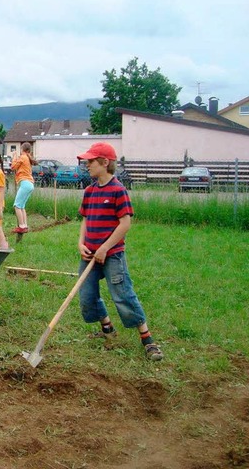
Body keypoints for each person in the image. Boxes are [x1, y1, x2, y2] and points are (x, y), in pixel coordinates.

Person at [76, 142, 163, 361]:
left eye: (90, 161)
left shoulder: (118, 190)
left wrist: (105, 248)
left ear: (105, 163)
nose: (86, 165)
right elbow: (85, 220)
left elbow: (125, 224)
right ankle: (107, 328)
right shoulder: (89, 191)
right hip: (89, 255)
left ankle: (148, 340)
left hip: (112, 254)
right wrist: (81, 243)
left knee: (122, 294)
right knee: (87, 296)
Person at [10, 142, 36, 233]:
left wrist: (14, 156)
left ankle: (21, 226)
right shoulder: (27, 158)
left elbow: (13, 167)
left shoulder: (23, 157)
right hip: (29, 184)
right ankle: (25, 225)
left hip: (25, 183)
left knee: (17, 205)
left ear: (22, 149)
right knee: (22, 206)